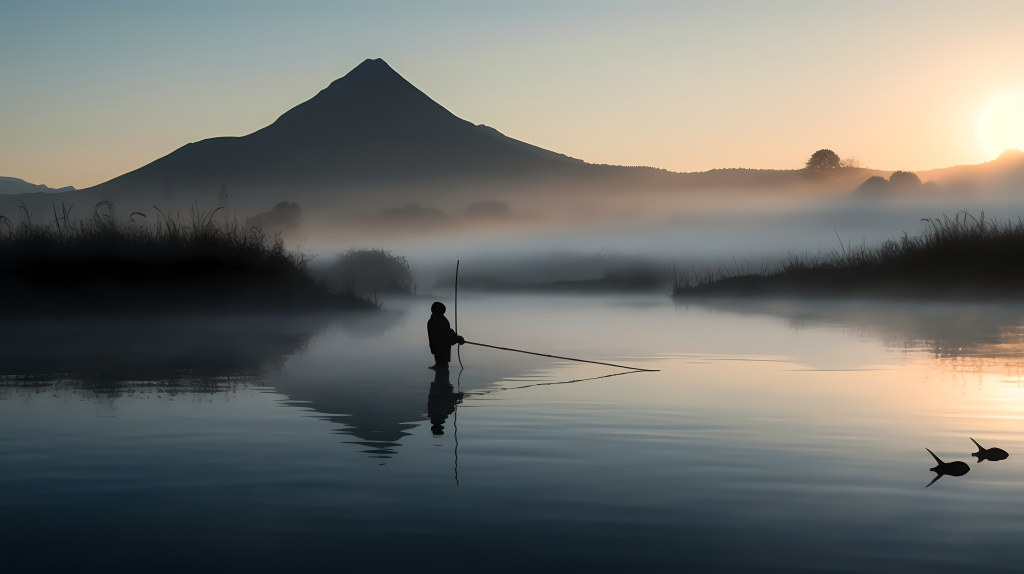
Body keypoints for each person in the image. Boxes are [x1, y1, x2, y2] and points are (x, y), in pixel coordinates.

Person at [427, 301, 464, 370]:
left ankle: (439, 374)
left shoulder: (433, 320)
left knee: (441, 365)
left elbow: (448, 332)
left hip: (438, 349)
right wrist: (457, 339)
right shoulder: (439, 321)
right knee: (443, 368)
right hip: (441, 349)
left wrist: (456, 338)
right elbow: (445, 335)